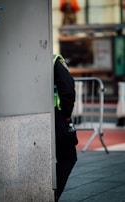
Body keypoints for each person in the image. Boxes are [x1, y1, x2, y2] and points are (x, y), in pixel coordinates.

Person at [53, 54, 78, 201]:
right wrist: (67, 113)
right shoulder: (54, 61)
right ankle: (53, 195)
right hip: (58, 117)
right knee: (68, 156)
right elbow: (68, 87)